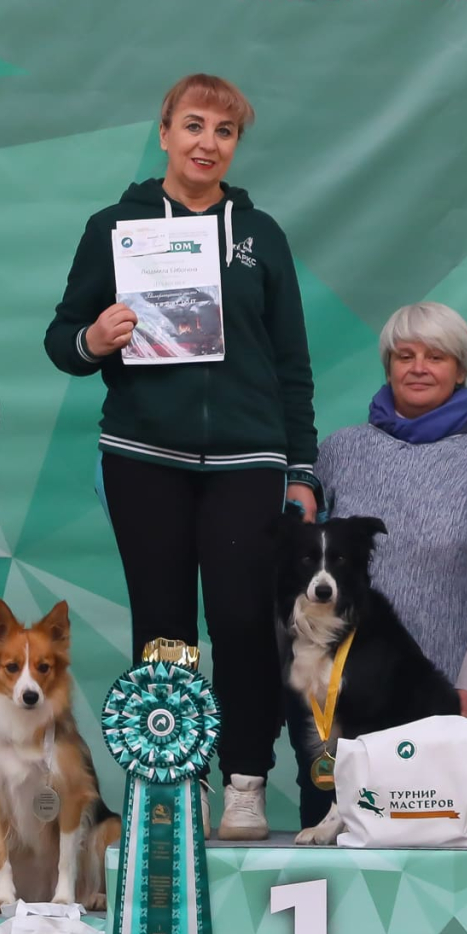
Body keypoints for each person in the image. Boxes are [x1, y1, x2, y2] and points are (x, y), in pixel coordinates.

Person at [46, 74, 318, 839]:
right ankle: (168, 784)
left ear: (235, 145)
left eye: (224, 131)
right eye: (193, 125)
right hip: (144, 454)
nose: (207, 142)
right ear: (163, 132)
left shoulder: (261, 234)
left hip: (247, 460)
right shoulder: (113, 226)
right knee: (162, 627)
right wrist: (94, 340)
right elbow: (64, 338)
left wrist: (301, 468)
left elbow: (292, 362)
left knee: (239, 621)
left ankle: (243, 783)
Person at [296, 301, 467, 819]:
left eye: (436, 356)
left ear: (461, 370)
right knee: (333, 835)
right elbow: (304, 573)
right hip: (346, 698)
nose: (419, 367)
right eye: (405, 355)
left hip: (457, 698)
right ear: (388, 366)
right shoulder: (337, 453)